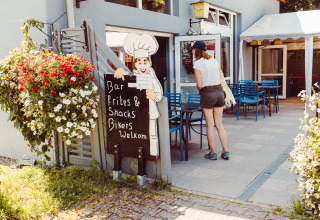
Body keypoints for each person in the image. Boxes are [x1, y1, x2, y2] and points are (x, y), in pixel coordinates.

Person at [114, 33, 163, 157]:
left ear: (149, 62)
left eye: (145, 61)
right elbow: (127, 85)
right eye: (139, 62)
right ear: (135, 63)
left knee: (152, 133)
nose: (142, 65)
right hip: (137, 111)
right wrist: (120, 71)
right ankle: (139, 153)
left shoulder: (151, 76)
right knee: (139, 132)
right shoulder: (134, 75)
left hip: (150, 110)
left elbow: (158, 93)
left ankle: (152, 154)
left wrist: (154, 95)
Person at [190, 40, 229, 160]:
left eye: (193, 49)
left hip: (207, 93)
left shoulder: (197, 64)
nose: (192, 51)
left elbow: (199, 85)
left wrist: (201, 90)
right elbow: (221, 76)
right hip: (219, 92)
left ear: (197, 50)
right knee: (219, 124)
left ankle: (213, 153)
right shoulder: (214, 61)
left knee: (209, 125)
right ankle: (225, 151)